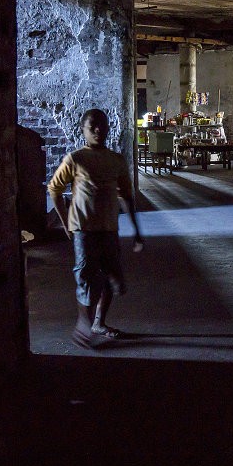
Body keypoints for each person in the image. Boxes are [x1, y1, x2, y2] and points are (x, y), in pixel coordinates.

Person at [48, 109, 143, 348]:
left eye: (102, 125)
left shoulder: (116, 160)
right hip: (84, 228)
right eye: (93, 127)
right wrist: (64, 222)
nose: (98, 130)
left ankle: (99, 322)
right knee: (86, 277)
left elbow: (126, 196)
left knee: (111, 278)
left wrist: (137, 230)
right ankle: (84, 321)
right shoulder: (76, 159)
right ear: (83, 131)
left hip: (108, 228)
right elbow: (55, 189)